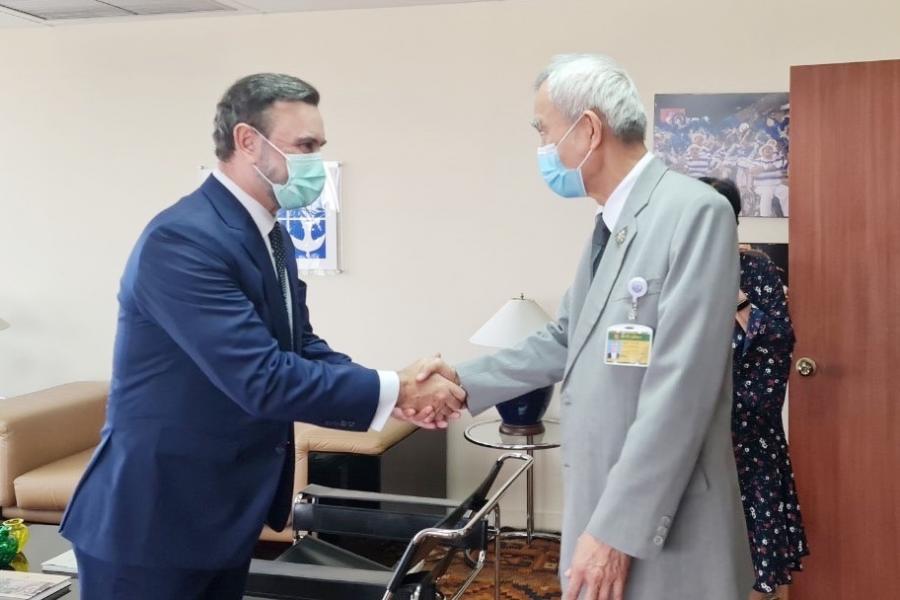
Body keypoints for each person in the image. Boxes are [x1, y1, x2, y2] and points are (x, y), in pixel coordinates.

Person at [59, 73, 464, 600]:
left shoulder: (270, 234)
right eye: (305, 146)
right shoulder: (183, 239)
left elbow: (300, 347)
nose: (316, 162)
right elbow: (262, 379)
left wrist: (394, 394)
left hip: (220, 517)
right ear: (248, 141)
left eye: (319, 147)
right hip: (153, 524)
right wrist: (399, 388)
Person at [403, 54, 753, 600]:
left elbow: (680, 391)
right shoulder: (611, 224)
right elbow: (567, 338)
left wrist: (615, 533)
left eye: (544, 131)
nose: (543, 147)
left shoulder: (694, 213)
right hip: (603, 500)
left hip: (663, 519)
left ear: (588, 129)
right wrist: (461, 382)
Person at [700, 177, 809, 600]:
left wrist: (736, 298)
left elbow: (778, 341)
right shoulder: (671, 269)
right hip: (687, 436)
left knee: (755, 557)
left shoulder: (756, 269)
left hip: (747, 435)